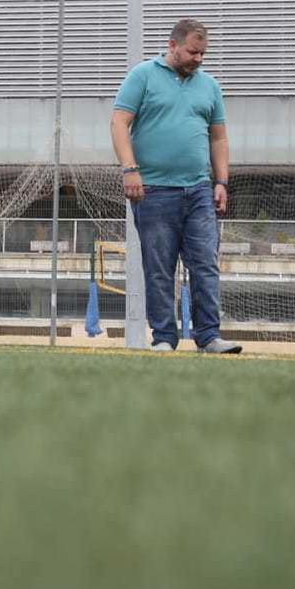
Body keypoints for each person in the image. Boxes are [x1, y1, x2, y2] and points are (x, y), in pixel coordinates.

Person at [110, 18, 242, 354]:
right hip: (153, 190)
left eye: (203, 54)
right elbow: (119, 122)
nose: (198, 59)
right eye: (192, 52)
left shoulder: (209, 86)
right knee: (159, 267)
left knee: (205, 264)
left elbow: (219, 136)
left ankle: (208, 336)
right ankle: (165, 339)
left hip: (199, 190)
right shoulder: (143, 76)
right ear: (172, 45)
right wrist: (130, 170)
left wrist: (221, 181)